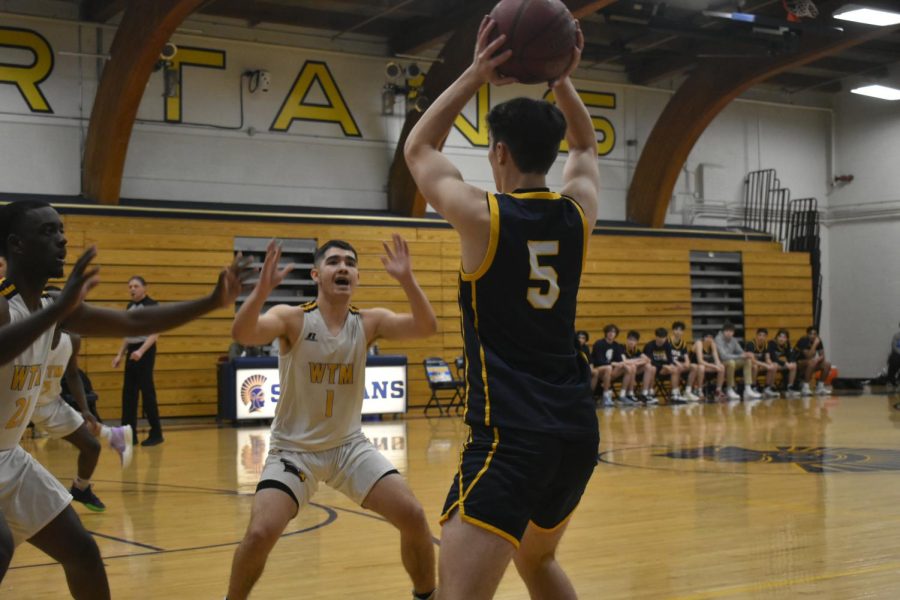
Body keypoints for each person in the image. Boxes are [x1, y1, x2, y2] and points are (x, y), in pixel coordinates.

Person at [404, 15, 600, 600]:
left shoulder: (483, 217)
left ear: (499, 154)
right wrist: (563, 78)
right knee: (537, 563)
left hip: (512, 435)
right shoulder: (578, 214)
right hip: (574, 431)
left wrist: (474, 71)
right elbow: (587, 146)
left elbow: (419, 147)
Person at [0, 199, 248, 599]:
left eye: (62, 229)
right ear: (16, 245)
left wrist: (211, 301)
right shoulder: (5, 304)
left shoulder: (50, 308)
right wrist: (60, 309)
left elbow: (134, 321)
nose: (62, 239)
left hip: (8, 454)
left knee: (82, 551)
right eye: (48, 231)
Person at [226, 236, 437, 600]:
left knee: (414, 517)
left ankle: (427, 595)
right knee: (260, 533)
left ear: (356, 277)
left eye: (351, 263)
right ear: (316, 274)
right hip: (293, 452)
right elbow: (243, 332)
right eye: (334, 261)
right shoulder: (293, 319)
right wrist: (260, 291)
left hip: (347, 448)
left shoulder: (369, 322)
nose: (343, 267)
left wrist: (407, 280)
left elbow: (426, 327)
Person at [31, 325, 133, 513]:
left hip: (50, 403)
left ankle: (81, 489)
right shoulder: (32, 335)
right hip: (22, 401)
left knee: (91, 446)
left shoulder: (72, 339)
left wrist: (84, 408)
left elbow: (72, 374)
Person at [112, 276, 162, 446]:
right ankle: (129, 434)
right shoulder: (129, 306)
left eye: (136, 286)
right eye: (130, 286)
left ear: (144, 288)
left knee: (147, 392)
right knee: (129, 394)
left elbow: (155, 333)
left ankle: (156, 432)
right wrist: (120, 354)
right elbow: (128, 333)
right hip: (132, 351)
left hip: (145, 350)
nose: (132, 289)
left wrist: (141, 351)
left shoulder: (152, 306)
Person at [715, 322, 761, 401]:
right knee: (731, 362)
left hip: (732, 361)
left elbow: (740, 352)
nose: (729, 333)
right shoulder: (718, 339)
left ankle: (747, 388)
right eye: (727, 331)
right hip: (721, 363)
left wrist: (747, 354)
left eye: (731, 331)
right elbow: (723, 356)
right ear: (723, 332)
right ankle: (729, 388)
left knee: (747, 360)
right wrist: (740, 356)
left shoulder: (733, 340)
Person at [591, 324, 633, 406]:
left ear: (616, 334)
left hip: (609, 372)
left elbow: (620, 360)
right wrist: (613, 364)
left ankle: (622, 395)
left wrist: (622, 364)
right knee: (608, 367)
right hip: (598, 369)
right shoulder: (599, 343)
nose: (611, 333)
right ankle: (605, 396)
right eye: (609, 331)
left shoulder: (616, 345)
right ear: (606, 333)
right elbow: (599, 361)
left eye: (613, 332)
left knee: (628, 368)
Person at [644, 327, 684, 403]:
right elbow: (649, 361)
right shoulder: (649, 346)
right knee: (652, 368)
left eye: (664, 338)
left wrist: (671, 365)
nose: (662, 340)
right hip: (653, 368)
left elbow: (670, 359)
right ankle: (650, 393)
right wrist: (663, 366)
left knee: (675, 369)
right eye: (660, 337)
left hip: (663, 369)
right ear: (656, 337)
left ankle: (675, 394)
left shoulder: (667, 345)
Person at [795, 326, 832, 396]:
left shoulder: (819, 341)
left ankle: (820, 387)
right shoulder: (803, 340)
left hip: (811, 363)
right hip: (798, 363)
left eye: (814, 334)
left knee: (827, 364)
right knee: (811, 362)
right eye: (810, 334)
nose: (812, 336)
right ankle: (805, 387)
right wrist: (815, 344)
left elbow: (822, 356)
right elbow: (808, 356)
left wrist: (818, 359)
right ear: (807, 334)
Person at [623, 330, 657, 404]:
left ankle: (644, 393)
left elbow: (648, 360)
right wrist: (637, 361)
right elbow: (624, 361)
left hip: (634, 370)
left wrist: (636, 362)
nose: (631, 342)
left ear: (637, 342)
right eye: (630, 339)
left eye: (634, 340)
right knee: (632, 367)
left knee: (649, 367)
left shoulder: (636, 350)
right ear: (627, 340)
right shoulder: (622, 348)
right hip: (623, 371)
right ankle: (629, 393)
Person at [691, 333, 726, 401]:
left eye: (711, 337)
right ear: (704, 338)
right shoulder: (699, 343)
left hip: (705, 367)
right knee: (701, 367)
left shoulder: (712, 345)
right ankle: (699, 390)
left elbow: (716, 360)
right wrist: (714, 366)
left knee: (722, 367)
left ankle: (718, 390)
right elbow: (700, 361)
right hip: (694, 367)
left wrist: (718, 365)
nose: (709, 339)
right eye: (707, 337)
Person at [670, 321, 699, 402]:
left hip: (680, 365)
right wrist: (677, 363)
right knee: (677, 368)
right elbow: (668, 357)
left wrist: (687, 363)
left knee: (694, 366)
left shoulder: (683, 343)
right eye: (676, 329)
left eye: (680, 330)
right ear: (673, 330)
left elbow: (686, 357)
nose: (678, 332)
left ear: (683, 332)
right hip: (670, 364)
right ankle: (675, 393)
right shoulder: (668, 341)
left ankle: (688, 391)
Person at [746, 328, 779, 398]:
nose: (761, 337)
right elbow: (752, 360)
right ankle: (753, 387)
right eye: (760, 335)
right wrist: (764, 364)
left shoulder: (766, 345)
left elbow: (767, 358)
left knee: (774, 365)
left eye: (764, 336)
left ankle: (767, 388)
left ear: (766, 337)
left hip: (760, 365)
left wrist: (770, 364)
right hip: (749, 366)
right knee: (754, 366)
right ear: (756, 335)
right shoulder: (751, 344)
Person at [768, 329, 800, 397]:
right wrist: (785, 364)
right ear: (777, 337)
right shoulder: (772, 343)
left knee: (794, 365)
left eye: (784, 337)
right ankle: (770, 388)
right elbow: (773, 358)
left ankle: (790, 388)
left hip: (780, 364)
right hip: (770, 363)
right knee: (775, 365)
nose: (782, 339)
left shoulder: (787, 344)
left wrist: (791, 362)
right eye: (780, 337)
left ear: (787, 339)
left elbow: (791, 355)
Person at [889, 322, 900, 387]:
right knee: (894, 358)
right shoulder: (896, 336)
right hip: (898, 355)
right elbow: (894, 347)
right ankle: (891, 379)